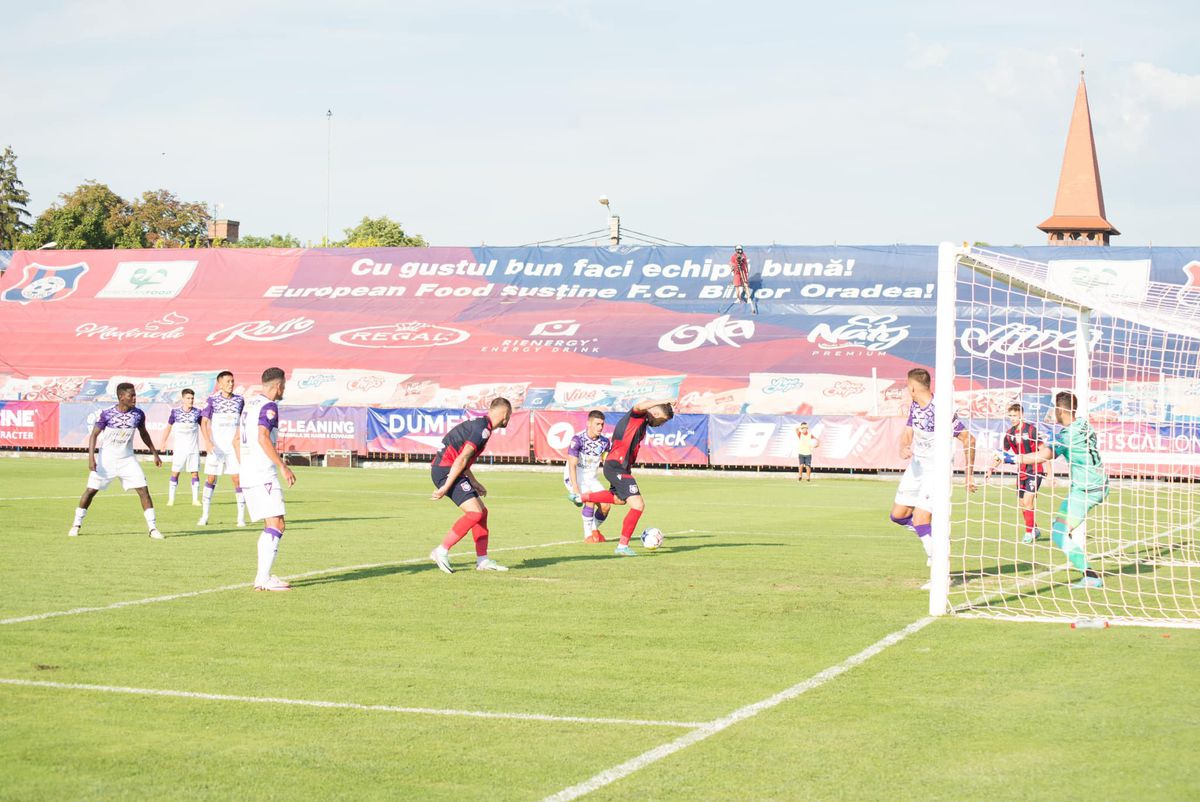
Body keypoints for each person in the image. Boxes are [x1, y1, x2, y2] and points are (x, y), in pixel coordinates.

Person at [998, 391, 1107, 589]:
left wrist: (1011, 458)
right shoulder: (1084, 424)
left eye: (1054, 409)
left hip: (1087, 490)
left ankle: (1090, 576)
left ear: (1060, 410)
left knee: (1059, 533)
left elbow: (1042, 456)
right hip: (1096, 484)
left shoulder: (1066, 437)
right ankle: (1082, 562)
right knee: (1061, 524)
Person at [889, 368, 976, 584]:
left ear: (912, 387)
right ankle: (935, 537)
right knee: (898, 515)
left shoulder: (941, 410)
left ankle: (940, 571)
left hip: (936, 470)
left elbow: (969, 439)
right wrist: (904, 446)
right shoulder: (915, 405)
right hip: (917, 466)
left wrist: (969, 474)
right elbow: (908, 431)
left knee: (920, 518)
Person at [570, 398, 675, 557]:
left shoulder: (643, 423)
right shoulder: (638, 416)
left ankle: (581, 497)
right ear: (655, 412)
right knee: (638, 505)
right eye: (662, 420)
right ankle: (622, 546)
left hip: (619, 467)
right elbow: (639, 405)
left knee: (619, 499)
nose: (661, 424)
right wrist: (662, 400)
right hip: (616, 465)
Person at [68, 382, 164, 539]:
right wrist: (91, 458)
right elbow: (94, 435)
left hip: (128, 460)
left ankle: (153, 529)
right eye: (131, 395)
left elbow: (144, 434)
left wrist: (154, 453)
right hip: (106, 460)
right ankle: (76, 525)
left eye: (135, 395)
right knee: (91, 490)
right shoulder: (107, 414)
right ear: (121, 397)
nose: (134, 398)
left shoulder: (138, 414)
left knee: (143, 490)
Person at [429, 398, 513, 574]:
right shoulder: (482, 430)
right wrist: (445, 487)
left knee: (482, 513)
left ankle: (482, 560)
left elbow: (463, 459)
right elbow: (461, 459)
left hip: (449, 469)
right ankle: (441, 550)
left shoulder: (482, 426)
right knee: (475, 513)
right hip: (445, 470)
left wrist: (474, 482)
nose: (509, 419)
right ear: (505, 414)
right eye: (510, 415)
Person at [233, 367, 297, 592]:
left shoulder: (249, 405)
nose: (283, 390)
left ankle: (263, 576)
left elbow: (235, 441)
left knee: (271, 524)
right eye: (284, 386)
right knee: (277, 524)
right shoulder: (269, 407)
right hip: (263, 473)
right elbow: (262, 437)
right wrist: (283, 466)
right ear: (278, 385)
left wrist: (245, 466)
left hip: (249, 472)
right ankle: (263, 577)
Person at [988, 402, 1045, 544]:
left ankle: (1028, 533)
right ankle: (1034, 529)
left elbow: (1043, 450)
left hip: (1035, 469)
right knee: (1022, 505)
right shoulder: (1009, 434)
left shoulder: (1031, 430)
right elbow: (1003, 453)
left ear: (1021, 415)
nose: (1012, 418)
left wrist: (1050, 473)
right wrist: (991, 468)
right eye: (1010, 416)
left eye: (1015, 415)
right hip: (1021, 472)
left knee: (1028, 502)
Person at [198, 371, 245, 527]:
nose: (231, 384)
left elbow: (244, 422)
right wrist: (208, 441)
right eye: (227, 381)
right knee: (211, 478)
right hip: (217, 448)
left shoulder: (240, 400)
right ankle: (204, 515)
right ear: (219, 384)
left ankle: (241, 517)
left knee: (237, 479)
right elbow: (204, 422)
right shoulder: (212, 400)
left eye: (232, 381)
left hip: (234, 448)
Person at [564, 410, 612, 542]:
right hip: (575, 477)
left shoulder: (605, 442)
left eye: (602, 424)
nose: (600, 427)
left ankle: (594, 530)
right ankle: (588, 536)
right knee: (590, 497)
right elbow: (572, 465)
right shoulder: (578, 440)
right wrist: (575, 489)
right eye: (597, 424)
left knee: (606, 505)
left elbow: (607, 463)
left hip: (591, 479)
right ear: (588, 424)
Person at [160, 388, 202, 506]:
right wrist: (163, 442)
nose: (191, 400)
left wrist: (209, 442)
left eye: (192, 398)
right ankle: (171, 499)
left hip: (193, 449)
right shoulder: (175, 412)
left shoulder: (197, 412)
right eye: (188, 398)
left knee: (195, 473)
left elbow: (203, 427)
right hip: (180, 450)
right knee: (175, 473)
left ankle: (195, 500)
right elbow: (168, 427)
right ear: (183, 399)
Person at [729, 245, 754, 312]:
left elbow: (745, 263)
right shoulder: (733, 256)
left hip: (743, 271)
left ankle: (749, 298)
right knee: (737, 286)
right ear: (736, 250)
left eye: (740, 249)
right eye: (738, 249)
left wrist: (747, 270)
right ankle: (738, 298)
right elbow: (731, 263)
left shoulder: (743, 255)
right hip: (737, 272)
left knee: (745, 284)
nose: (739, 251)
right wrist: (732, 267)